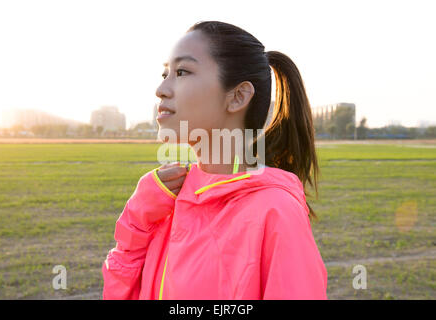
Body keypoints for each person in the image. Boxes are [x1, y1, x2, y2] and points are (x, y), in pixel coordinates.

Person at [102, 20, 327, 300]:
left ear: (237, 97)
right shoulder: (165, 201)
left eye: (182, 72)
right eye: (164, 73)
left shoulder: (275, 211)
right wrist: (138, 220)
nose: (161, 89)